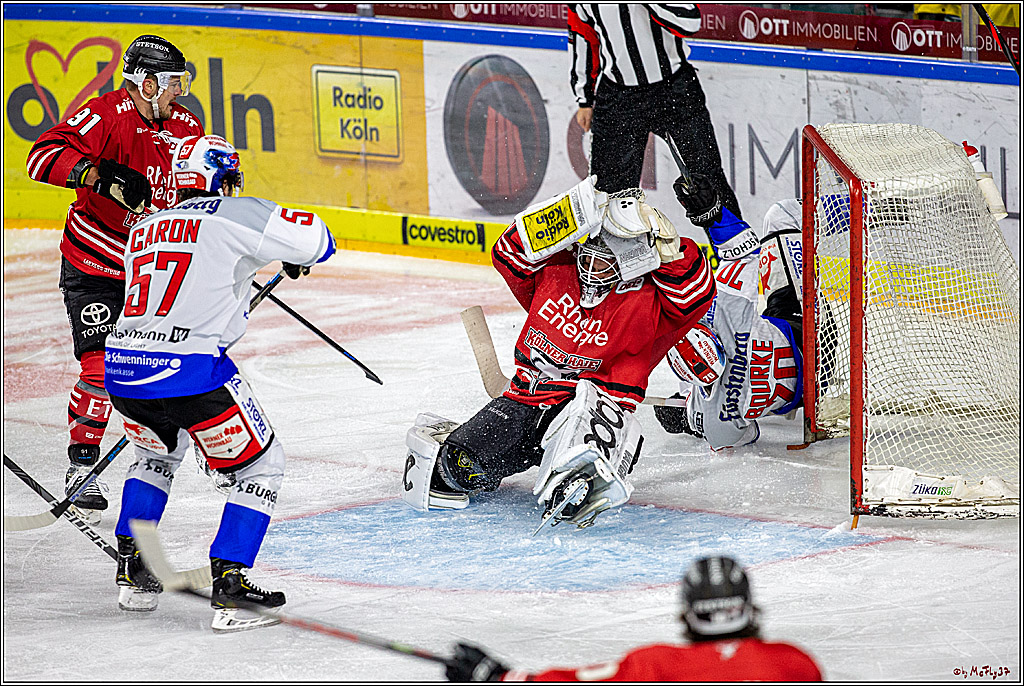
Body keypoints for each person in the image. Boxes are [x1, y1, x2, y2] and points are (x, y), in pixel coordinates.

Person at [103, 134, 336, 631]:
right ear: (219, 179)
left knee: (155, 457)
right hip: (190, 373)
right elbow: (319, 239)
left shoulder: (142, 227)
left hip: (123, 370)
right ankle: (231, 590)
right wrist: (290, 253)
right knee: (261, 467)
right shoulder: (237, 213)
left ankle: (133, 569)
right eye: (230, 178)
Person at [402, 177, 716, 529]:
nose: (591, 269)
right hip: (525, 401)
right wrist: (569, 210)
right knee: (454, 469)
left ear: (631, 262)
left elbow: (697, 291)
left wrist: (669, 246)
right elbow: (507, 251)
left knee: (573, 493)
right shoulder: (558, 269)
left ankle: (591, 467)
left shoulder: (653, 302)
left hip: (594, 407)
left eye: (605, 262)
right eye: (589, 257)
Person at [25, 35, 204, 522]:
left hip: (150, 267)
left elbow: (194, 190)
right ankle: (81, 467)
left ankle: (186, 445)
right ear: (145, 84)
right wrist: (98, 175)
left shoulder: (186, 124)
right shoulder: (107, 113)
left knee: (178, 358)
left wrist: (219, 181)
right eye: (172, 83)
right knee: (101, 370)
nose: (179, 93)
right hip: (93, 266)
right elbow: (40, 157)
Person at [445, 555, 823, 681]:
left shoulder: (656, 665)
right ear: (748, 609)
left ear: (688, 615)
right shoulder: (795, 663)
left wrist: (496, 676)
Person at [652, 174, 804, 450]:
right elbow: (744, 250)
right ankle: (875, 209)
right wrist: (711, 214)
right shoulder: (728, 315)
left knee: (673, 413)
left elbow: (745, 436)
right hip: (811, 330)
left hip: (809, 395)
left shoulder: (716, 422)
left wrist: (687, 420)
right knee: (783, 215)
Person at [569, 4, 742, 219]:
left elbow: (689, 22)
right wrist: (584, 97)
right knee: (608, 194)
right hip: (618, 98)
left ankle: (735, 249)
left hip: (674, 90)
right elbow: (583, 34)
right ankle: (617, 251)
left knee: (706, 182)